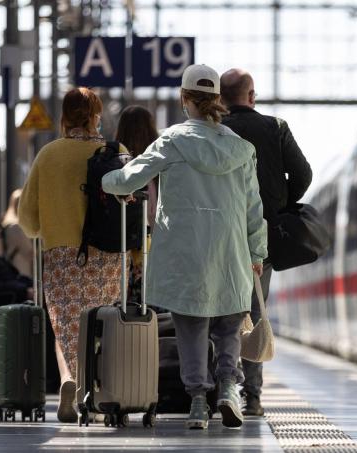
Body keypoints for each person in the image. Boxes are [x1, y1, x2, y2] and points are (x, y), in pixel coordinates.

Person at [102, 64, 267, 430]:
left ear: (184, 98)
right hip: (231, 252)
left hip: (185, 254)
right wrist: (256, 252)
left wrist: (105, 177)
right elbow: (254, 208)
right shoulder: (242, 150)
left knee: (191, 327)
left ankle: (197, 402)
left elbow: (130, 178)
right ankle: (228, 388)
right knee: (228, 326)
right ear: (218, 101)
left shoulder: (172, 142)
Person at [19, 87, 127, 424]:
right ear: (96, 115)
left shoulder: (48, 155)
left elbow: (26, 218)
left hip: (62, 253)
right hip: (107, 253)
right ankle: (92, 389)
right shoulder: (116, 152)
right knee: (101, 324)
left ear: (64, 117)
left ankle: (69, 379)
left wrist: (47, 226)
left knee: (66, 324)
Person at [220, 68, 312, 416]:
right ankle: (252, 396)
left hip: (219, 234)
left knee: (217, 311)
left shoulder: (213, 131)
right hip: (264, 234)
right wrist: (280, 207)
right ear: (252, 95)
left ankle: (220, 387)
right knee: (254, 312)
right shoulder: (275, 128)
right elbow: (303, 174)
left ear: (219, 98)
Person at [0, 189, 33, 277]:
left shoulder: (7, 223)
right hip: (20, 267)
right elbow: (29, 251)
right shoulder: (16, 227)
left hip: (12, 265)